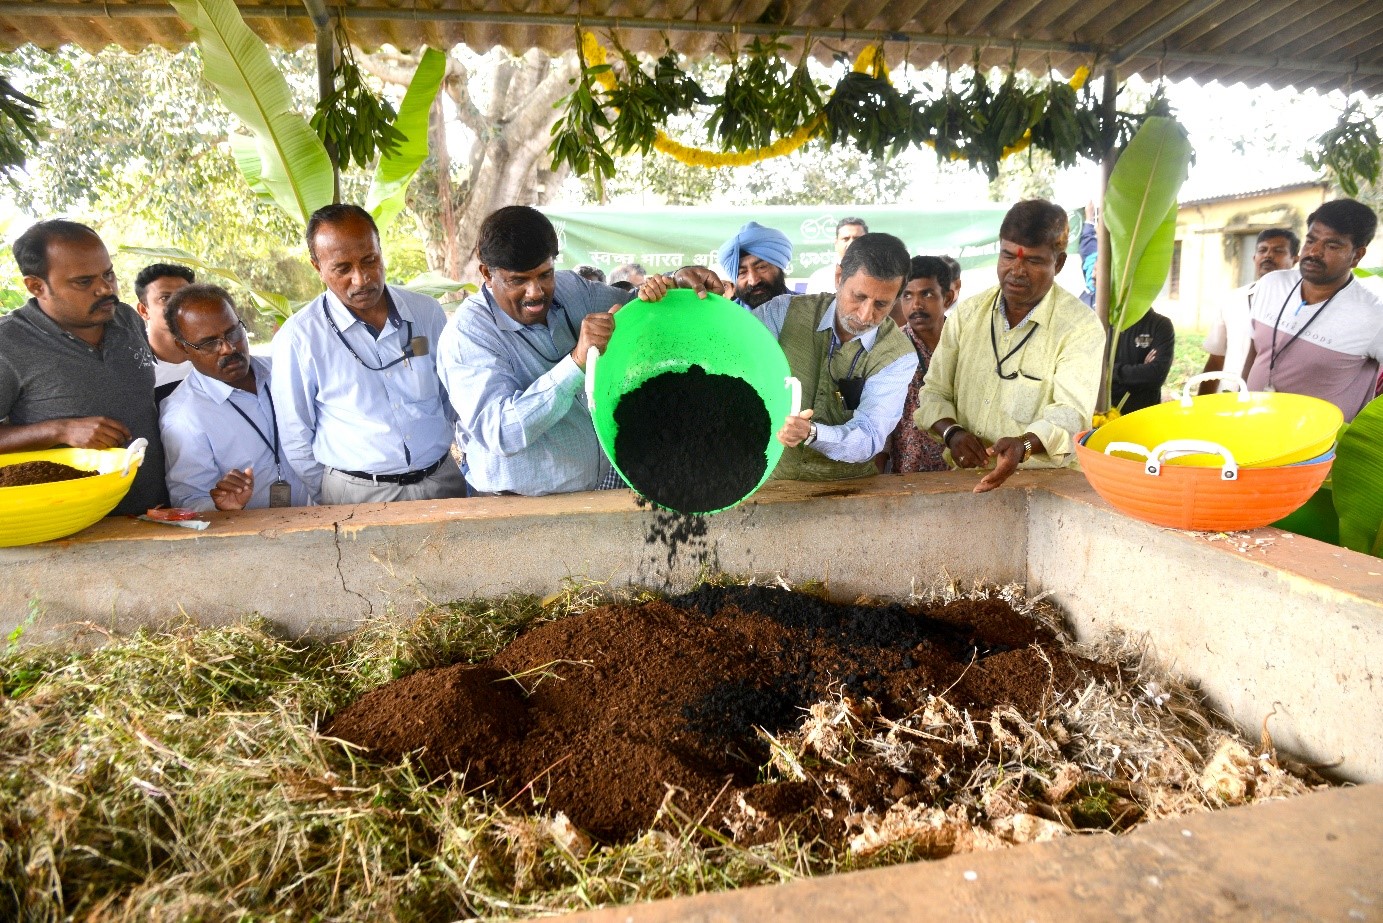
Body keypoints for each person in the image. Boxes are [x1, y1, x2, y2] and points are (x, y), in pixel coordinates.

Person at [438, 207, 646, 495]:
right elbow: (501, 432)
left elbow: (635, 305)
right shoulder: (467, 335)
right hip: (516, 509)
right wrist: (576, 363)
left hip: (595, 491)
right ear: (487, 273)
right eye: (518, 280)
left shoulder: (572, 289)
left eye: (545, 275)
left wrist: (675, 284)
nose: (536, 292)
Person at [271, 204, 464, 504]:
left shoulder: (426, 313)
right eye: (342, 269)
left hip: (441, 482)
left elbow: (448, 398)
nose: (361, 279)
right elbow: (297, 436)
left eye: (369, 261)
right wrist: (336, 494)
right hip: (356, 497)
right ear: (317, 267)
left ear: (380, 251)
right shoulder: (298, 339)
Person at [916, 199, 1105, 493]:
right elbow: (934, 391)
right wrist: (952, 433)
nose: (1016, 270)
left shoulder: (1080, 327)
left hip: (1042, 489)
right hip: (966, 481)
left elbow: (1071, 414)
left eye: (1033, 260)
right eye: (1007, 256)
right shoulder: (968, 315)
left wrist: (1025, 444)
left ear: (1060, 263)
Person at [0, 220, 167, 515]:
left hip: (153, 511)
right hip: (67, 525)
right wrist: (58, 430)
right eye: (84, 282)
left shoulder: (126, 319)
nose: (105, 288)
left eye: (109, 274)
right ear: (37, 285)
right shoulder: (8, 344)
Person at [752, 233, 918, 480]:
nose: (865, 316)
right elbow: (726, 343)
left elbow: (870, 436)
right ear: (839, 277)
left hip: (845, 491)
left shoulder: (898, 356)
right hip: (770, 480)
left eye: (882, 304)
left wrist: (811, 433)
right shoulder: (782, 313)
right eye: (859, 297)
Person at [159, 284, 308, 511]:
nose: (228, 348)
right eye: (210, 343)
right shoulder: (183, 417)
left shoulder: (284, 372)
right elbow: (189, 502)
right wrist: (221, 507)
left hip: (321, 514)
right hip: (255, 537)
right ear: (183, 348)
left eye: (233, 333)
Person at [1244, 199, 1382, 422]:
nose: (1314, 252)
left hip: (1316, 452)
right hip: (1254, 428)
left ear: (1357, 255)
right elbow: (1257, 351)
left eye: (1332, 246)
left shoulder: (1374, 315)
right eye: (1311, 240)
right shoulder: (1271, 285)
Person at [1198, 228, 1299, 394]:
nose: (1268, 255)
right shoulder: (1233, 300)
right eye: (1262, 250)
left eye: (1278, 251)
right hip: (1229, 398)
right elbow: (1217, 358)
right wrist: (1200, 406)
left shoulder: (1303, 305)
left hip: (1278, 403)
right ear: (1254, 258)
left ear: (1295, 259)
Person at [882, 256, 954, 473]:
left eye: (927, 294)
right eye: (907, 296)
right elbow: (880, 420)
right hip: (908, 474)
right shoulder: (891, 350)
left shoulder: (967, 344)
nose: (916, 305)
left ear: (948, 298)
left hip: (962, 470)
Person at [133, 262, 195, 401]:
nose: (179, 304)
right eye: (165, 298)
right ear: (143, 310)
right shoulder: (133, 373)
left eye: (185, 296)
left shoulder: (216, 359)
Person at [1111, 307, 1175, 413]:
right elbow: (1093, 371)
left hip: (1143, 413)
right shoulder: (1104, 323)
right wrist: (1141, 371)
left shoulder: (1160, 324)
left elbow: (1156, 374)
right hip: (1103, 415)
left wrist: (1111, 371)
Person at [719, 221, 793, 308]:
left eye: (761, 267)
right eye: (742, 272)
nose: (753, 281)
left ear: (779, 267)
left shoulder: (810, 310)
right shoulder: (725, 317)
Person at [806, 217, 868, 294]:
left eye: (857, 239)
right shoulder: (818, 278)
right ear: (836, 244)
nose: (851, 243)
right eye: (846, 239)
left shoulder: (880, 278)